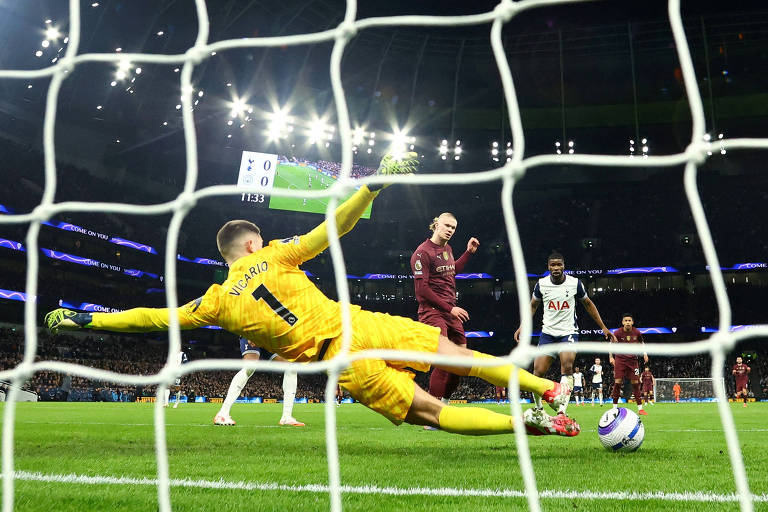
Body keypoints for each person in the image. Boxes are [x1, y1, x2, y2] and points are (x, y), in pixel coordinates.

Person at [45, 153, 579, 438]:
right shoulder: (275, 253)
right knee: (464, 357)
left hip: (342, 362)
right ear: (253, 242)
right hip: (364, 323)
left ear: (228, 252)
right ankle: (545, 390)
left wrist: (89, 322)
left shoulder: (213, 303)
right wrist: (372, 185)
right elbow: (333, 228)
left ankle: (527, 426)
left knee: (432, 414)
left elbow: (152, 319)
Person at [514, 253, 616, 416]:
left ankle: (562, 411)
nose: (556, 268)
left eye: (559, 265)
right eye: (552, 265)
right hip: (547, 333)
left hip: (568, 332)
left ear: (564, 266)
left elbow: (588, 304)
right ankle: (539, 409)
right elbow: (532, 306)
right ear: (548, 267)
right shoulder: (541, 284)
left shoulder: (575, 283)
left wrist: (603, 327)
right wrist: (522, 326)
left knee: (567, 366)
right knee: (537, 372)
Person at [410, 212, 479, 410]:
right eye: (447, 225)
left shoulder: (447, 249)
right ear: (436, 225)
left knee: (461, 362)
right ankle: (432, 410)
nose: (450, 230)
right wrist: (450, 308)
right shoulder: (422, 253)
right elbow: (421, 291)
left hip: (451, 311)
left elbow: (451, 271)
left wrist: (468, 254)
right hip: (432, 312)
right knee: (443, 359)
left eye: (453, 228)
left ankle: (446, 406)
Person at [213, 338, 304, 427]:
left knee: (291, 366)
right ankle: (223, 413)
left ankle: (287, 417)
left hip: (270, 336)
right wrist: (251, 333)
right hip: (253, 332)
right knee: (250, 367)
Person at [609, 313, 648, 415]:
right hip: (620, 360)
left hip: (633, 361)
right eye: (625, 321)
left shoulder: (637, 332)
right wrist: (611, 357)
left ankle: (640, 409)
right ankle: (614, 408)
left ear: (632, 322)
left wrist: (645, 353)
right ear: (622, 322)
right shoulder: (617, 333)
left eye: (629, 320)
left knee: (635, 384)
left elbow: (642, 343)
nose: (627, 322)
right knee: (617, 383)